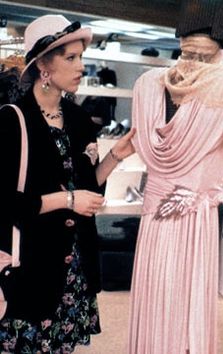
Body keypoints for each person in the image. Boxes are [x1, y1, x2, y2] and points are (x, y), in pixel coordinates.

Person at [0, 14, 135, 353]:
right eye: (71, 58)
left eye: (82, 57)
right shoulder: (11, 120)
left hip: (74, 265)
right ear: (43, 66)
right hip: (30, 263)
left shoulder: (78, 118)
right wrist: (66, 201)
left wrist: (115, 158)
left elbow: (89, 189)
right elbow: (5, 203)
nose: (81, 67)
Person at [128, 1, 223, 353]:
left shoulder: (146, 85)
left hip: (159, 215)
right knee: (183, 300)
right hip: (192, 218)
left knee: (158, 293)